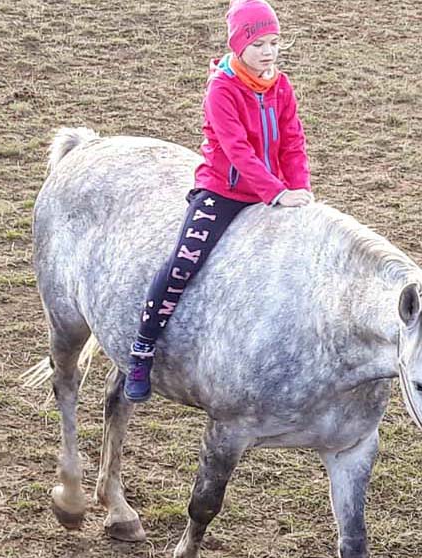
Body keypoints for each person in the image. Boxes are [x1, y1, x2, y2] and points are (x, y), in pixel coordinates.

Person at [126, 0, 312, 401]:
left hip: (276, 195)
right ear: (238, 44)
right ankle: (141, 350)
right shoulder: (222, 88)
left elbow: (294, 143)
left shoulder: (280, 86)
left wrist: (301, 191)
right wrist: (277, 192)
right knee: (182, 263)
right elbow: (238, 151)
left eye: (274, 42)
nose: (268, 51)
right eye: (259, 42)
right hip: (223, 193)